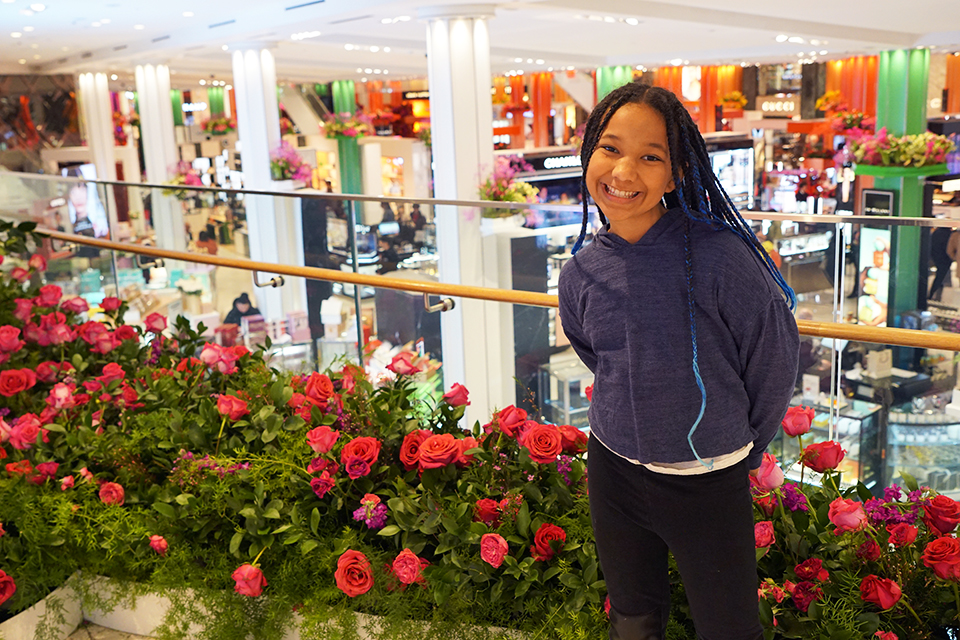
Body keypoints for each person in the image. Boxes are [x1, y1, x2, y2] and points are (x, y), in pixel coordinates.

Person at [557, 82, 799, 640]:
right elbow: (600, 358)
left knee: (728, 627)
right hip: (612, 466)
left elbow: (773, 363)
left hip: (706, 482)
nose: (623, 172)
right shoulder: (583, 271)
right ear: (589, 151)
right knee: (633, 618)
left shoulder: (723, 257)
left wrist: (734, 446)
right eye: (611, 148)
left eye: (650, 157)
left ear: (678, 174)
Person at [929, 226, 959, 301]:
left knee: (940, 277)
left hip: (937, 258)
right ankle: (935, 295)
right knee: (941, 277)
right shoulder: (950, 234)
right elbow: (949, 249)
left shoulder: (936, 232)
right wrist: (953, 258)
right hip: (945, 259)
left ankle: (934, 295)